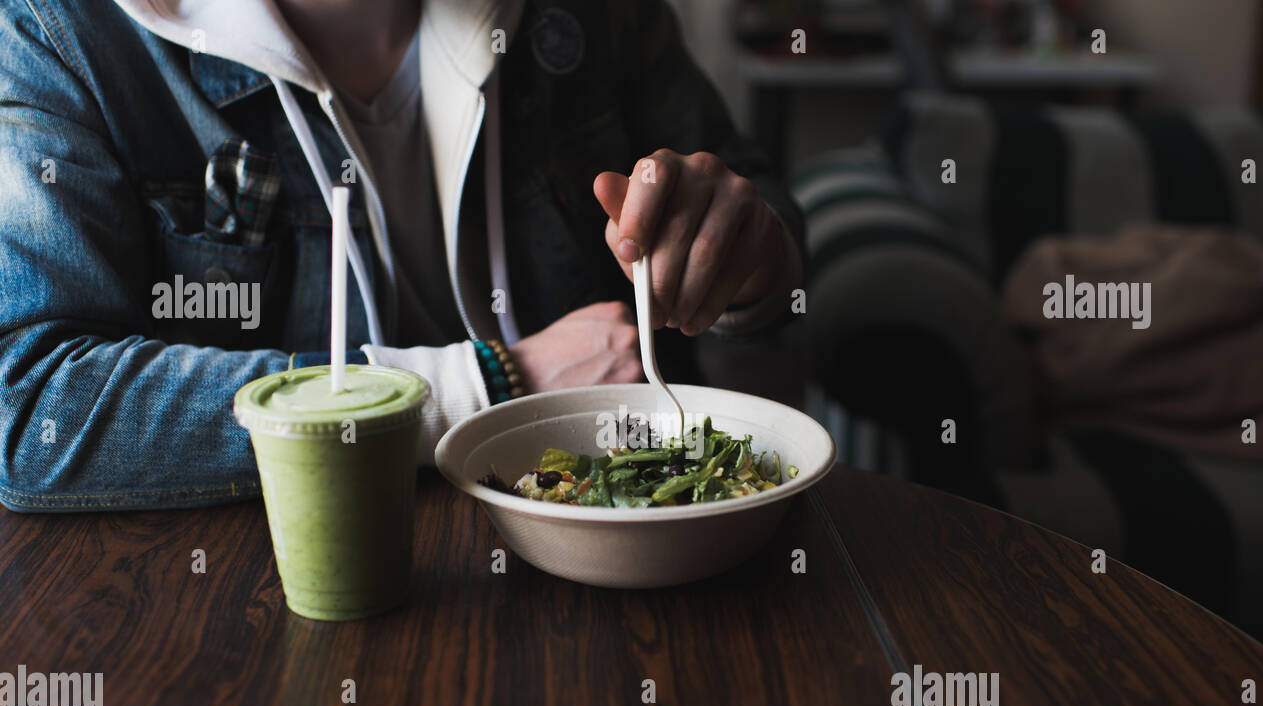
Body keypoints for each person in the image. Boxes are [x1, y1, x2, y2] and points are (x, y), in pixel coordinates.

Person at [0, 0, 805, 512]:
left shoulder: (600, 18)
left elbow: (763, 230)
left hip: (608, 578)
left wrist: (747, 263)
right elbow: (32, 406)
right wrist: (487, 385)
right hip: (256, 616)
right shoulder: (60, 30)